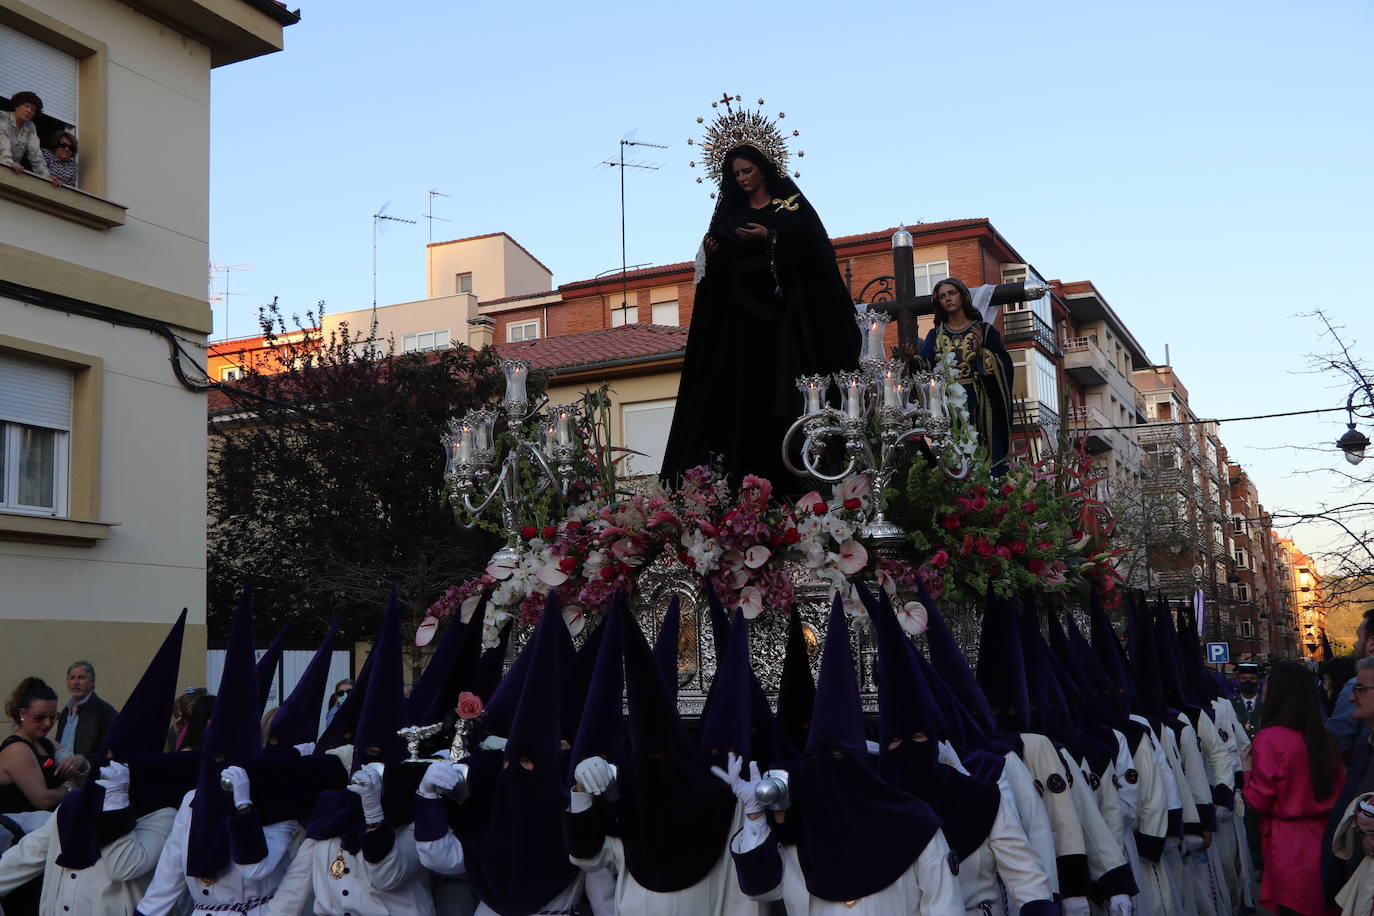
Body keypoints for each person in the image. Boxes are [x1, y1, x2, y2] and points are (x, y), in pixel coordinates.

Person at [659, 135, 860, 489]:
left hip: (788, 323)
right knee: (745, 403)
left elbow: (816, 255)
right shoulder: (730, 216)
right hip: (742, 328)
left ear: (764, 169)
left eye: (747, 170)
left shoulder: (790, 209)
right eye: (735, 173)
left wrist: (770, 237)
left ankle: (805, 478)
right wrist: (711, 251)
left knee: (791, 396)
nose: (741, 178)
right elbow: (716, 275)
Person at [1244, 659, 1345, 916]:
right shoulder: (1324, 737)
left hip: (1290, 846)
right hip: (1326, 839)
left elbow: (1259, 799)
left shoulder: (1270, 739)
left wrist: (1246, 773)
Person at [918, 277, 1014, 471]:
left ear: (963, 296)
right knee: (952, 452)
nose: (947, 299)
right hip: (948, 404)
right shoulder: (935, 335)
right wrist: (912, 361)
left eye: (952, 293)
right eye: (942, 296)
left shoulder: (984, 331)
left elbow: (1005, 365)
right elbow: (925, 367)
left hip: (980, 401)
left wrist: (983, 355)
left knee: (983, 449)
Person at [0, 677, 86, 813]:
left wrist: (81, 761)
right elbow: (43, 800)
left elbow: (82, 775)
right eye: (39, 717)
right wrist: (70, 785)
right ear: (22, 714)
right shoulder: (17, 750)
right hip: (22, 830)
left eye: (53, 717)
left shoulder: (48, 743)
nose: (47, 723)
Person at [55, 660, 119, 760]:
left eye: (81, 678)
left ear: (92, 682)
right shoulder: (65, 711)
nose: (76, 682)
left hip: (87, 772)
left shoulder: (104, 711)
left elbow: (113, 749)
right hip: (62, 772)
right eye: (72, 678)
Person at [1, 91, 56, 183]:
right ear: (17, 105)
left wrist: (46, 176)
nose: (29, 111)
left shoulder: (30, 126)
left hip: (8, 171)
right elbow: (3, 141)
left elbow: (35, 153)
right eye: (26, 106)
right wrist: (9, 163)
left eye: (33, 109)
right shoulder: (2, 116)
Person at [1232, 661, 1265, 741]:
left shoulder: (1266, 703)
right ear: (1238, 680)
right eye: (1244, 678)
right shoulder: (1230, 703)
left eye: (1252, 678)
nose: (1248, 682)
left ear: (1258, 681)